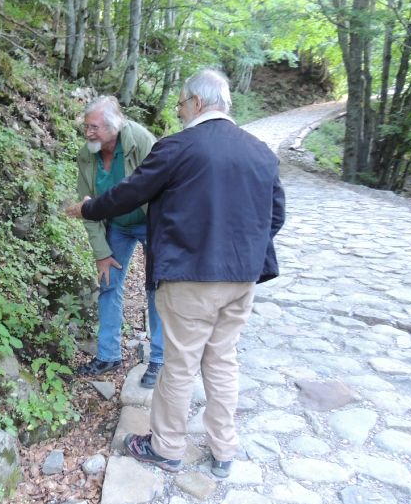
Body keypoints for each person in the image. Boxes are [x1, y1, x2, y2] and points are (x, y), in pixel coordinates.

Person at [66, 70, 285, 478]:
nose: (180, 110)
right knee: (221, 362)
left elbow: (131, 192)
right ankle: (223, 449)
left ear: (197, 103)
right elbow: (276, 217)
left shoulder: (178, 147)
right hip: (241, 281)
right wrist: (239, 253)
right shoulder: (261, 152)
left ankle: (165, 447)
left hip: (191, 278)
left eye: (182, 103)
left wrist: (87, 208)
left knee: (180, 364)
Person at [74, 95, 164, 388]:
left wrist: (161, 239)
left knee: (156, 287)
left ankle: (159, 360)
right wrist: (101, 252)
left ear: (114, 127)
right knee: (108, 282)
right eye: (86, 126)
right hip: (117, 226)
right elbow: (88, 207)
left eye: (94, 127)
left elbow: (164, 188)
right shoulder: (87, 155)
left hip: (151, 222)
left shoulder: (140, 141)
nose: (88, 133)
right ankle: (108, 354)